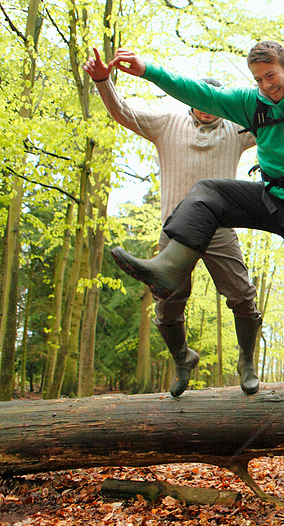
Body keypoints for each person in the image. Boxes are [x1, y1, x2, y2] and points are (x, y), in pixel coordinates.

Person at [105, 41, 284, 382]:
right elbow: (198, 92)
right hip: (269, 196)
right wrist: (147, 70)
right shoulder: (251, 103)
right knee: (208, 191)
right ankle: (168, 268)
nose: (266, 85)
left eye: (271, 75)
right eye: (258, 79)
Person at [84, 49, 261, 398]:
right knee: (166, 301)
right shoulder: (166, 123)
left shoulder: (237, 129)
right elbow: (124, 112)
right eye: (201, 98)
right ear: (191, 99)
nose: (208, 105)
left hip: (220, 230)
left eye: (216, 100)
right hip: (174, 230)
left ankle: (247, 361)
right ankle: (182, 358)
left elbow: (275, 120)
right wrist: (103, 81)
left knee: (242, 295)